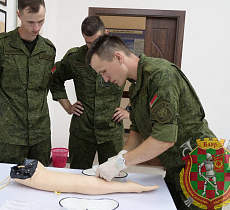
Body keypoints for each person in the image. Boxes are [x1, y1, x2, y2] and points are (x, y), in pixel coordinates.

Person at [86, 35, 216, 209]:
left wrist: (121, 163)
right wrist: (121, 154)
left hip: (201, 166)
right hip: (176, 165)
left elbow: (164, 139)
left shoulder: (160, 75)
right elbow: (137, 130)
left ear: (118, 57)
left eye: (103, 71)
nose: (105, 79)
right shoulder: (136, 86)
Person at [0, 0, 56, 166]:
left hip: (40, 133)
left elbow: (46, 87)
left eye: (41, 21)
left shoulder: (49, 49)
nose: (36, 28)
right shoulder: (0, 45)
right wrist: (4, 114)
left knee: (41, 181)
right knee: (8, 181)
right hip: (10, 135)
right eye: (30, 22)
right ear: (19, 15)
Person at [53, 16, 129, 169]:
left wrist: (129, 110)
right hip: (82, 130)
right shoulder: (74, 58)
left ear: (106, 33)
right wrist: (67, 106)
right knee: (77, 174)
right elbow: (55, 80)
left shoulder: (121, 57)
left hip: (111, 131)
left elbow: (141, 83)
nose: (94, 47)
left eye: (97, 41)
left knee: (113, 175)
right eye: (89, 43)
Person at [11, 159, 158, 195]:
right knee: (79, 184)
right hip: (36, 174)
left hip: (37, 172)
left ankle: (130, 187)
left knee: (80, 183)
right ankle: (130, 187)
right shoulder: (28, 177)